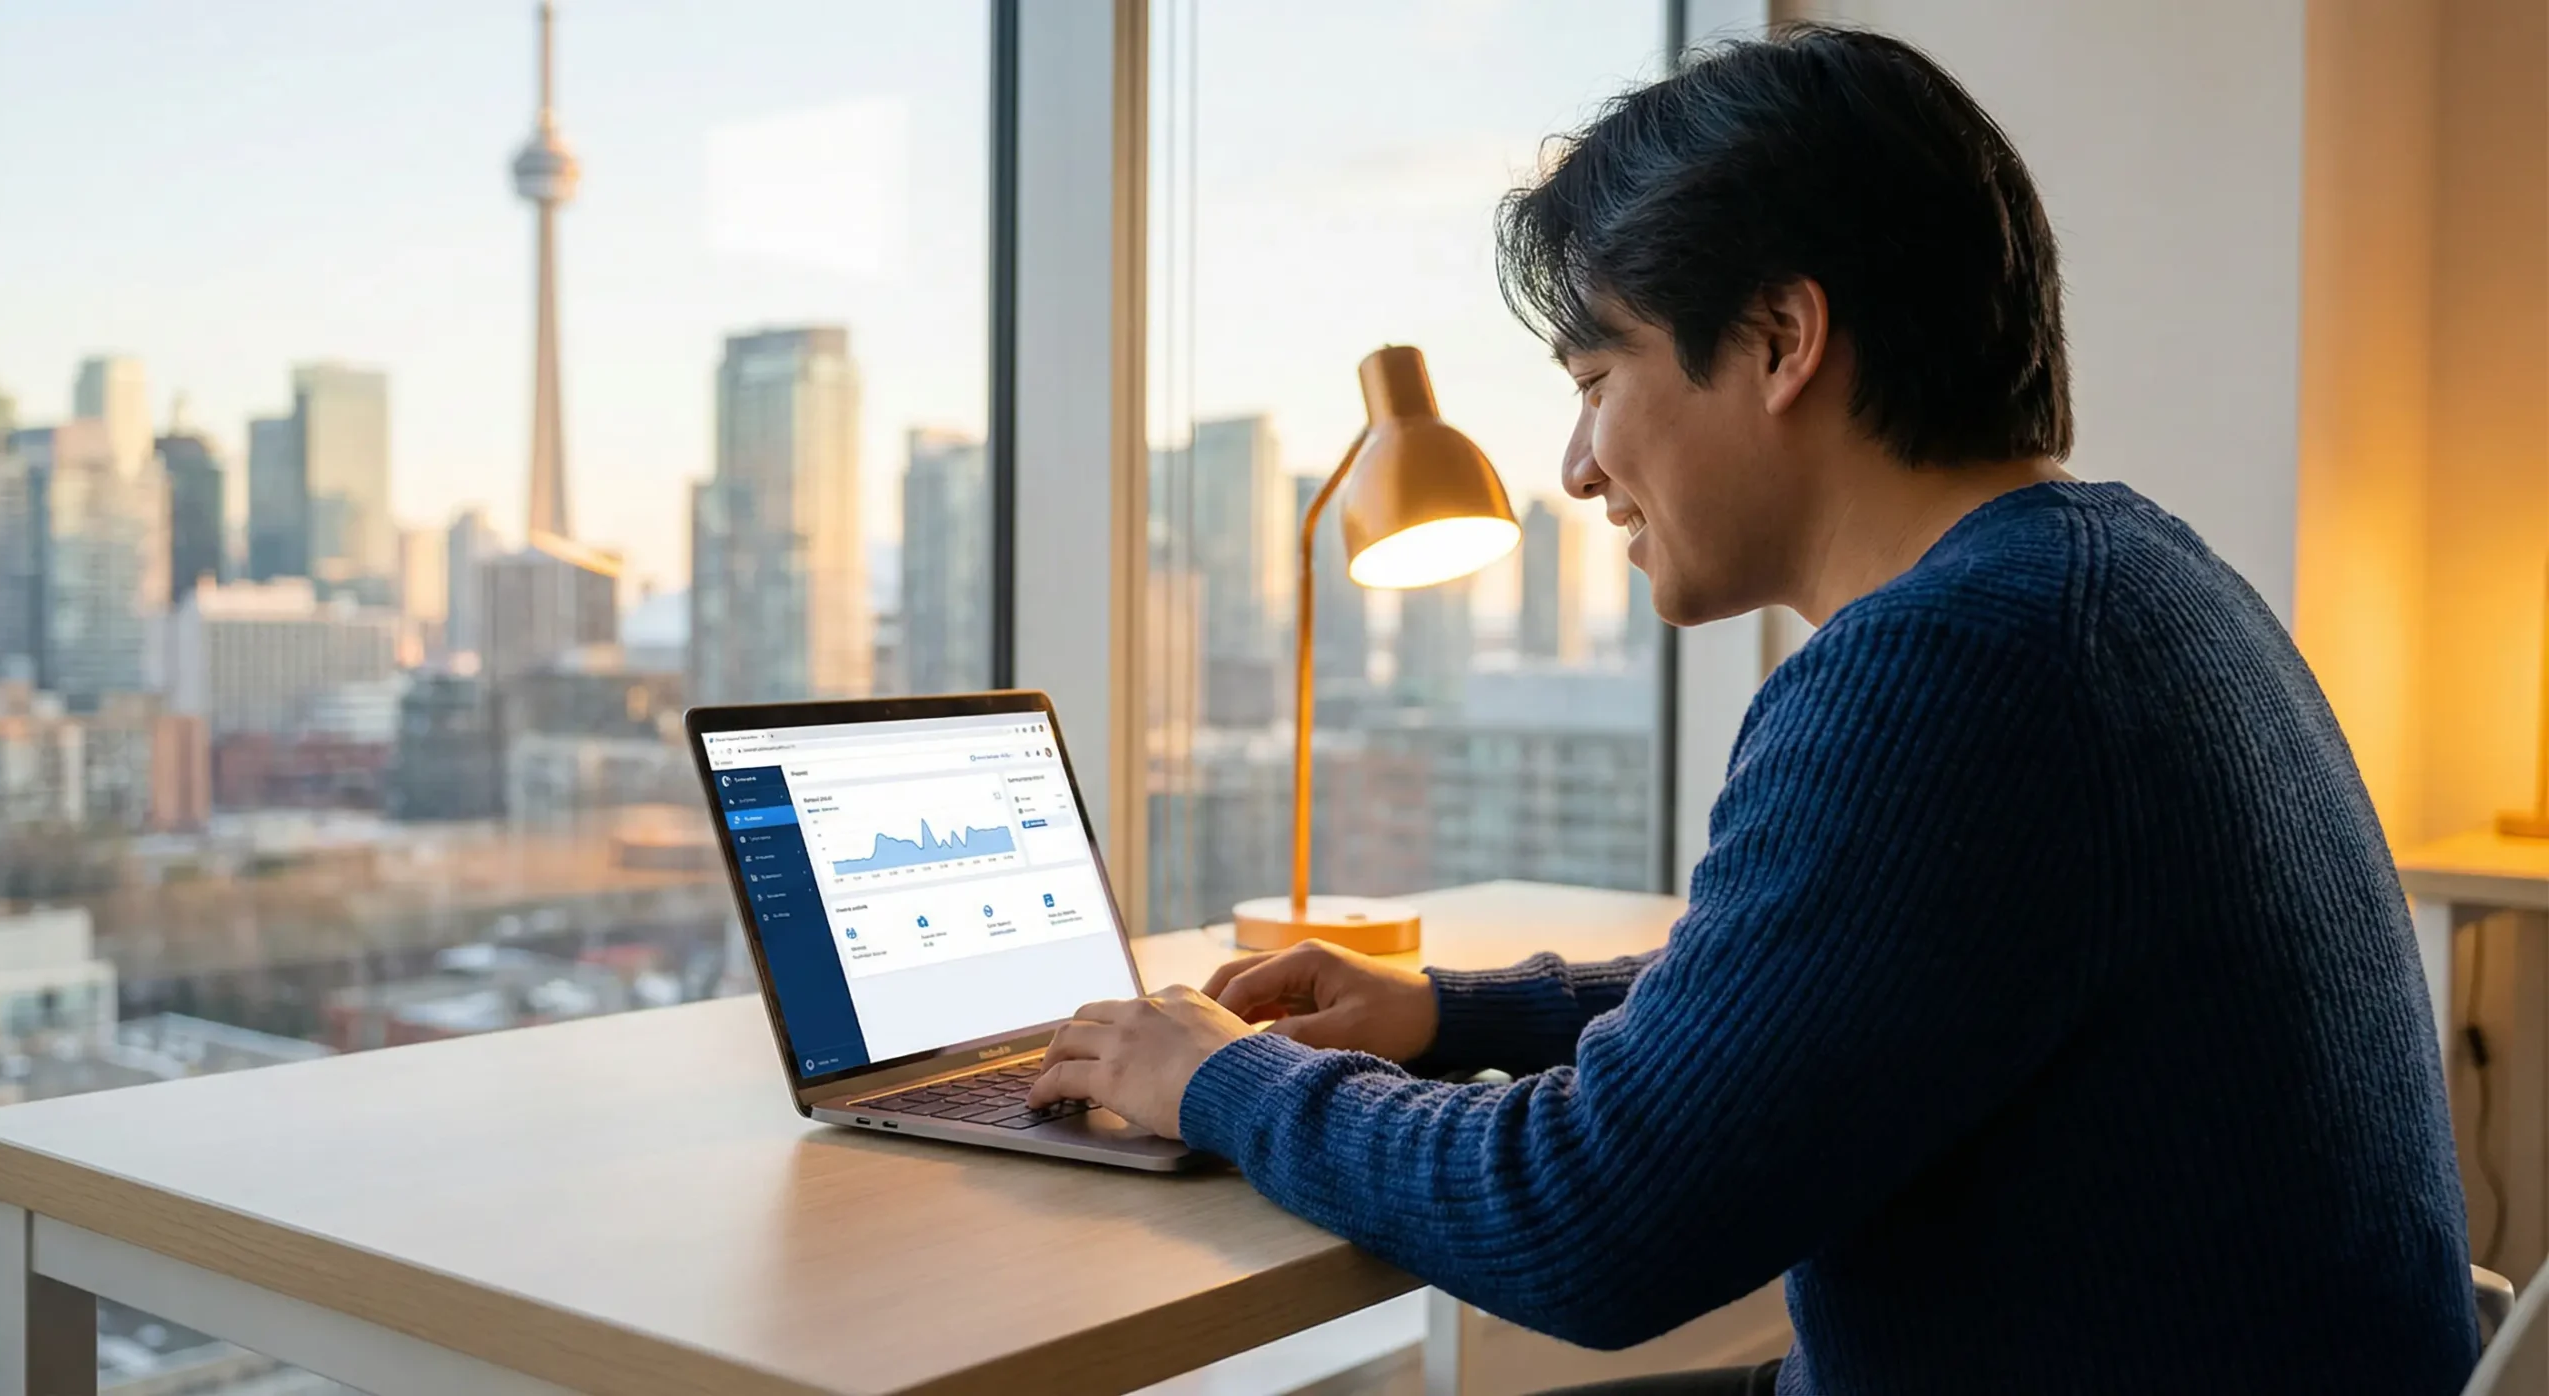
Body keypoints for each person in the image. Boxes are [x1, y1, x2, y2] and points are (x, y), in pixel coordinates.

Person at [1026, 24, 2477, 1394]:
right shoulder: (2121, 581)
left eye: (1598, 379)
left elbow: (1588, 1221)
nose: (1580, 465)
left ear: (1783, 339)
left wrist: (1225, 1083)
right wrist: (1444, 1009)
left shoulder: (1953, 664)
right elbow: (1818, 993)